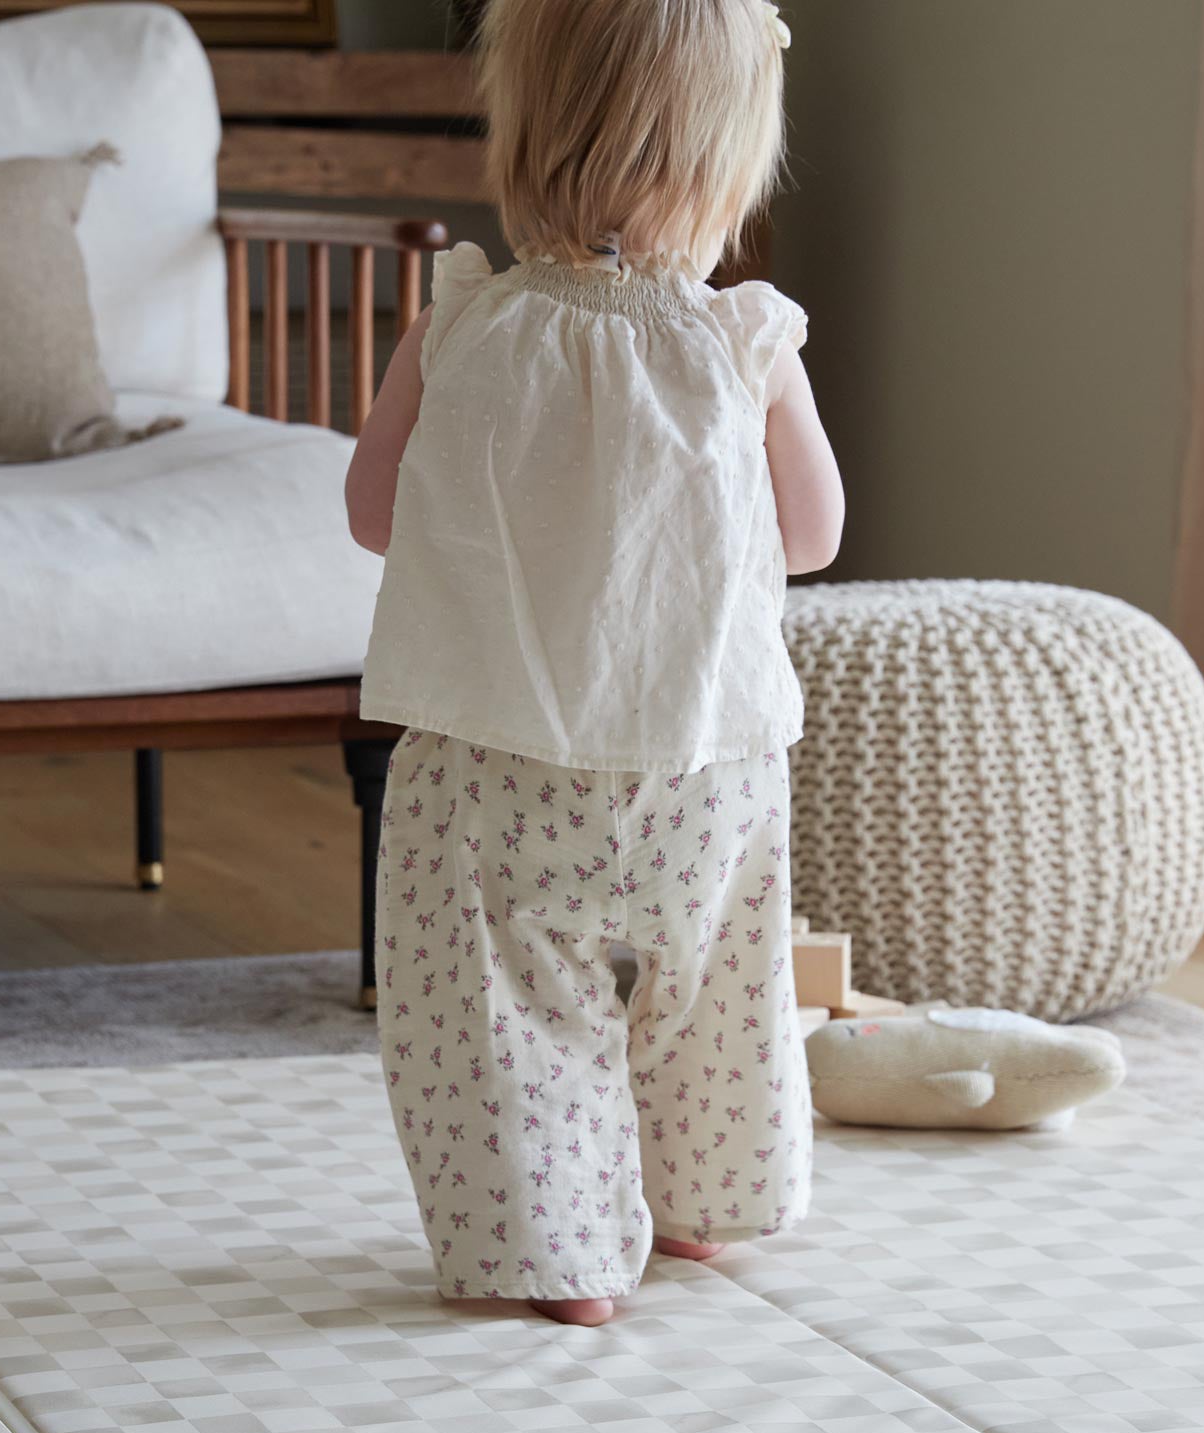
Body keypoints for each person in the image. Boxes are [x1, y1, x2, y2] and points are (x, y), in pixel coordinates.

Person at [346, 0, 843, 1327]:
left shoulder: (461, 328)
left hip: (496, 763)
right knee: (719, 991)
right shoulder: (745, 344)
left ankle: (556, 1257)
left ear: (521, 135)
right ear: (734, 160)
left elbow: (373, 515)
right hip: (705, 764)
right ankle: (704, 1203)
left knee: (502, 1014)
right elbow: (811, 536)